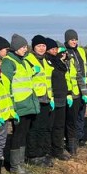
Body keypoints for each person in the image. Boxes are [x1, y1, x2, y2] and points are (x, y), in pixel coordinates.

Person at [2, 34, 36, 174]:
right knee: (17, 135)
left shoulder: (23, 61)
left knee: (23, 134)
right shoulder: (9, 62)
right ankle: (15, 165)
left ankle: (20, 163)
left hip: (27, 103)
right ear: (15, 48)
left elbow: (25, 80)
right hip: (19, 105)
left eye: (26, 46)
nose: (25, 49)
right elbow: (7, 85)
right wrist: (12, 107)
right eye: (22, 47)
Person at [25, 35, 54, 166]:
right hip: (35, 99)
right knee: (34, 128)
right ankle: (32, 155)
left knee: (43, 127)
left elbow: (48, 81)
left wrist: (51, 97)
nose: (42, 48)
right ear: (34, 47)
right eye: (39, 46)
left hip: (46, 98)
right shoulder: (29, 60)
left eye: (43, 46)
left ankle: (42, 154)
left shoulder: (46, 61)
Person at [63, 30, 87, 145]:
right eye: (72, 40)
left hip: (83, 87)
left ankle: (80, 136)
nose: (74, 42)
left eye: (75, 39)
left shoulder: (81, 51)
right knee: (71, 116)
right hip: (72, 89)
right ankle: (70, 139)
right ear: (67, 40)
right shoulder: (65, 52)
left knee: (81, 114)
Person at [45, 38, 69, 160]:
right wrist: (51, 96)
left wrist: (68, 93)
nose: (54, 51)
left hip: (62, 97)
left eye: (56, 49)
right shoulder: (46, 61)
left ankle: (58, 150)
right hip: (52, 98)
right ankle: (48, 151)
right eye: (52, 49)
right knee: (50, 127)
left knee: (60, 125)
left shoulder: (60, 62)